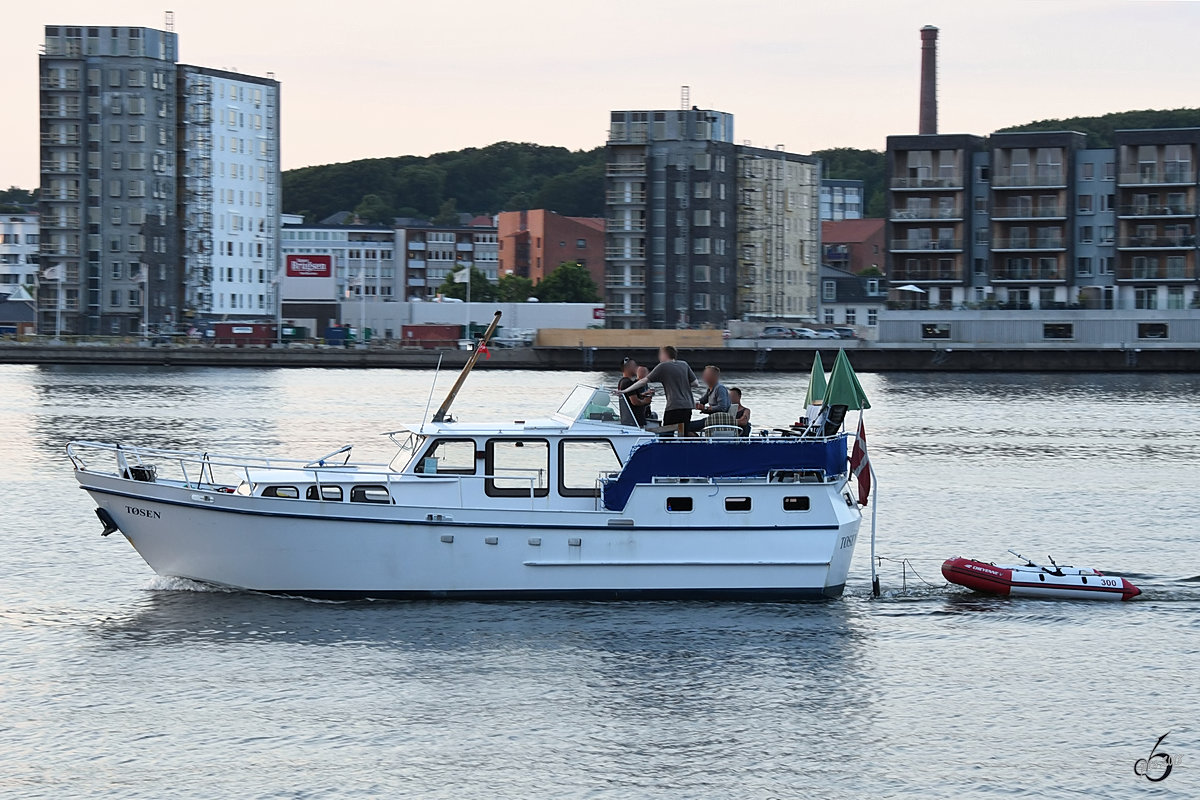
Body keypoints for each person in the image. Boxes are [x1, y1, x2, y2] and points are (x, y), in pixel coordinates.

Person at [619, 345, 698, 434]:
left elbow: (643, 381)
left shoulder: (663, 366)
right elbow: (695, 383)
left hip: (674, 406)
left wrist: (624, 391)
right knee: (683, 432)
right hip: (688, 406)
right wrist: (681, 383)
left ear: (664, 354)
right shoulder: (684, 364)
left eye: (660, 354)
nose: (659, 357)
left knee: (666, 433)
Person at [686, 365, 731, 434]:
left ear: (714, 376)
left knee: (686, 427)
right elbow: (701, 401)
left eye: (707, 375)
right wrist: (687, 402)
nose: (704, 377)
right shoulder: (710, 389)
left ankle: (697, 441)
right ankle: (697, 441)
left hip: (717, 420)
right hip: (712, 419)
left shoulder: (719, 388)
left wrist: (705, 408)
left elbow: (722, 407)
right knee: (686, 426)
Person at [617, 357, 653, 427]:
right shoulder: (628, 383)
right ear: (628, 368)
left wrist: (643, 394)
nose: (636, 368)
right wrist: (646, 401)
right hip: (634, 421)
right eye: (634, 366)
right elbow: (635, 402)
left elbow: (630, 397)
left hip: (628, 421)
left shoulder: (622, 381)